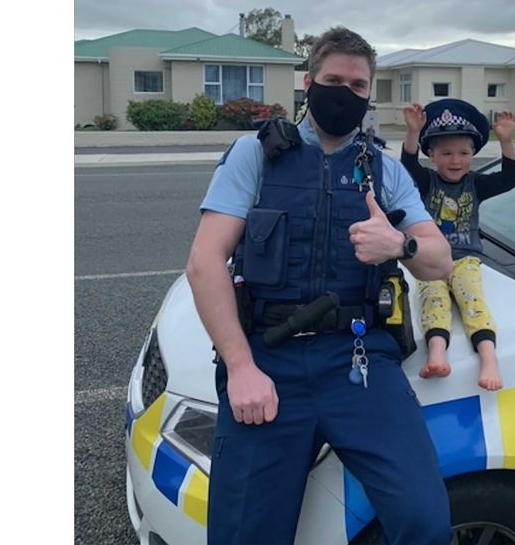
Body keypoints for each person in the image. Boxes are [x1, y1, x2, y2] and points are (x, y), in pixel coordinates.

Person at [185, 27, 454, 545]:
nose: (345, 92)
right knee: (242, 535)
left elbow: (439, 261)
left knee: (425, 522)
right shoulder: (255, 155)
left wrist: (400, 245)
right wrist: (241, 369)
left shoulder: (384, 171)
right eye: (334, 79)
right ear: (308, 81)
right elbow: (204, 262)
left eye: (358, 86)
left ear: (369, 94)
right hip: (270, 359)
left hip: (358, 360)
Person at [401, 100, 515, 391]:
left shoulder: (475, 184)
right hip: (432, 259)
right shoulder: (427, 182)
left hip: (466, 258)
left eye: (464, 153)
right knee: (433, 299)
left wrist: (507, 141)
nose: (456, 161)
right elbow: (408, 167)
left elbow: (509, 179)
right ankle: (437, 354)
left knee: (473, 301)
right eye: (446, 153)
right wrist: (413, 133)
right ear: (431, 154)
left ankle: (489, 359)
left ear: (473, 154)